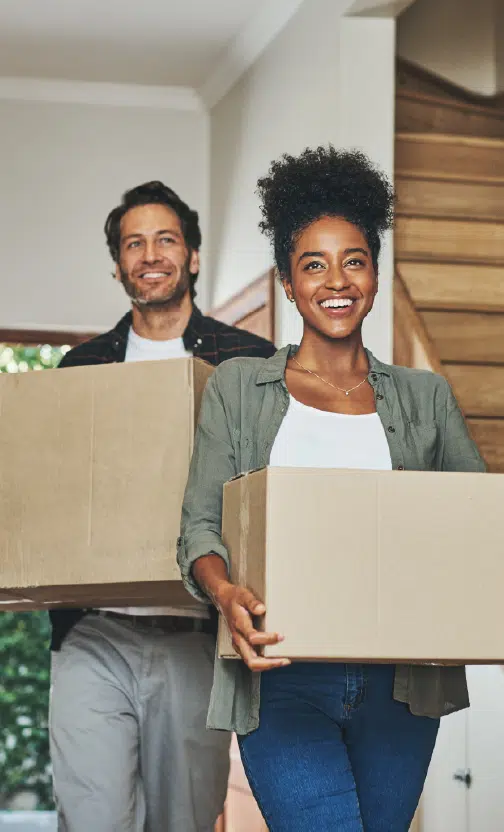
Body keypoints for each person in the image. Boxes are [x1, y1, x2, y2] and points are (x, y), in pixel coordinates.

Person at [178, 148, 485, 831]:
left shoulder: (425, 397)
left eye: (354, 260)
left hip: (403, 683)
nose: (336, 280)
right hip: (281, 673)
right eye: (313, 263)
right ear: (289, 283)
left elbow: (475, 527)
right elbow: (200, 525)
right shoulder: (239, 390)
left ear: (374, 273)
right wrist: (227, 595)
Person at [49, 180, 275, 832]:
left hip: (196, 636)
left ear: (193, 257)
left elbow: (266, 493)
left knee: (184, 821)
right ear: (119, 263)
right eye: (134, 243)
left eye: (166, 239)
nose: (150, 255)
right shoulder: (80, 369)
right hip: (94, 635)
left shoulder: (249, 362)